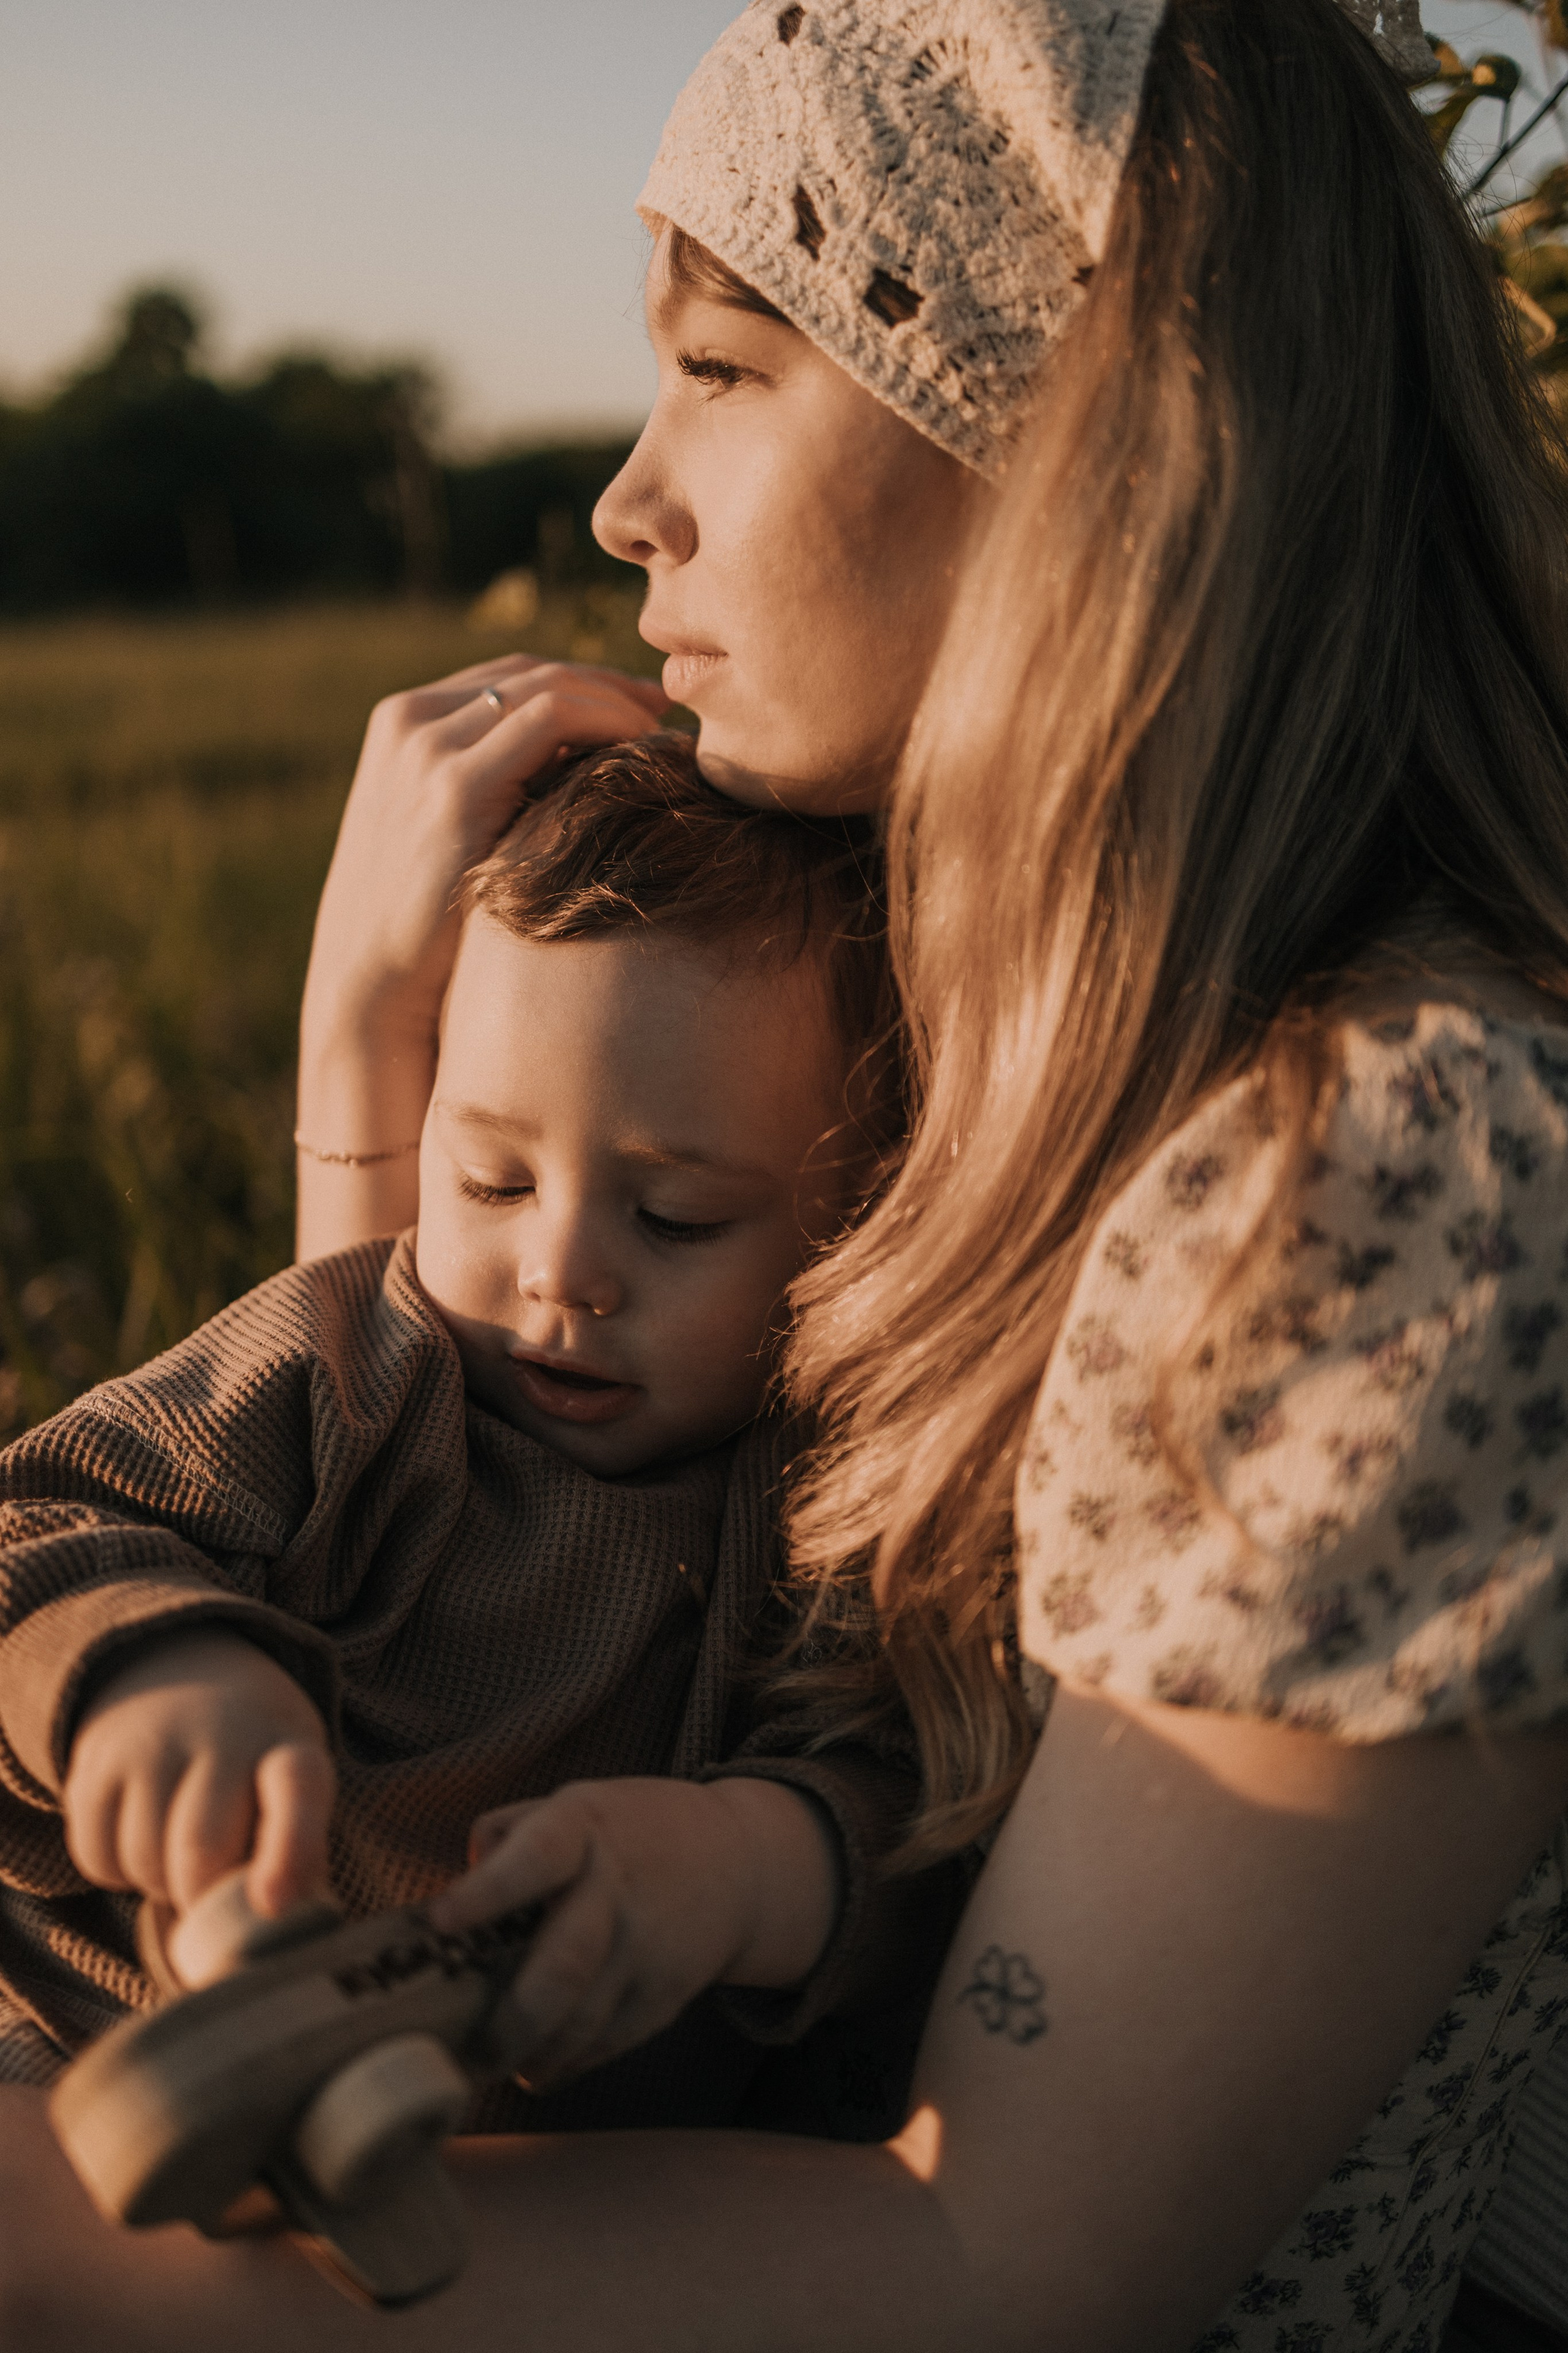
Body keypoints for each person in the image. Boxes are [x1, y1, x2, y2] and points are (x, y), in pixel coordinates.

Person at [2, 0, 1568, 2347]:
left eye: (725, 365)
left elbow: (1001, 2258)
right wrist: (376, 1079)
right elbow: (445, 1594)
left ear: (1083, 445)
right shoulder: (1019, 1058)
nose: (630, 501)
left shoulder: (1395, 1172)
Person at [0, 736, 938, 2139]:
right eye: (490, 1178)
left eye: (673, 1217)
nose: (557, 1270)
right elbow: (39, 1521)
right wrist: (153, 1665)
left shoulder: (826, 1504)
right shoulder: (358, 1365)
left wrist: (735, 1866)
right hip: (82, 2027)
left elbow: (902, 1816)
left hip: (494, 2155)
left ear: (861, 1220)